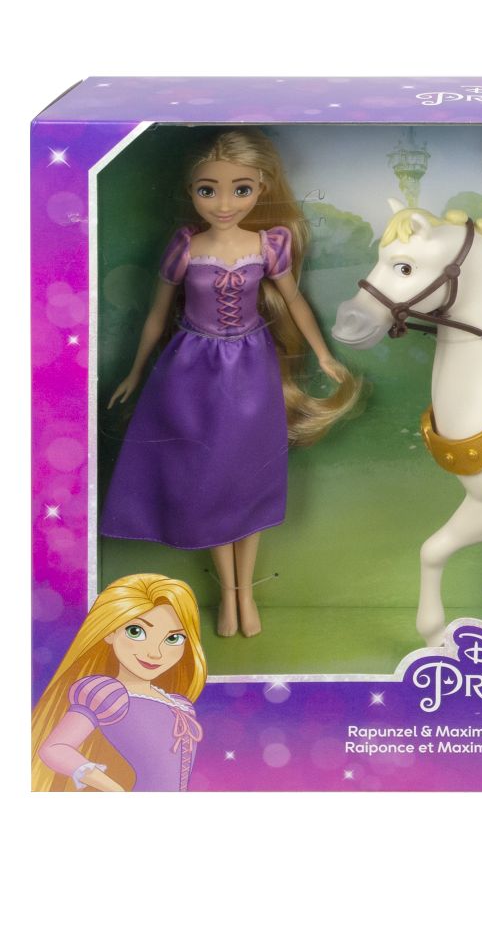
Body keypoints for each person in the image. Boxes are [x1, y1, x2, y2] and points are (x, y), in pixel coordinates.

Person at [101, 130, 359, 636]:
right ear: (191, 191)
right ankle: (229, 596)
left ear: (261, 187)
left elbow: (295, 302)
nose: (223, 204)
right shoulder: (186, 247)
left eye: (240, 190)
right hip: (192, 371)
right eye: (208, 190)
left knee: (249, 477)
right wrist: (134, 371)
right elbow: (156, 315)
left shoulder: (268, 245)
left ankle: (246, 594)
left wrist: (325, 354)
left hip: (251, 369)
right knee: (212, 480)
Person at [32, 574, 207, 792]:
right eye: (136, 631)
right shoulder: (108, 694)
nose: (155, 653)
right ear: (110, 632)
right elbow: (54, 748)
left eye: (173, 638)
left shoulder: (180, 704)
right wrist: (114, 789)